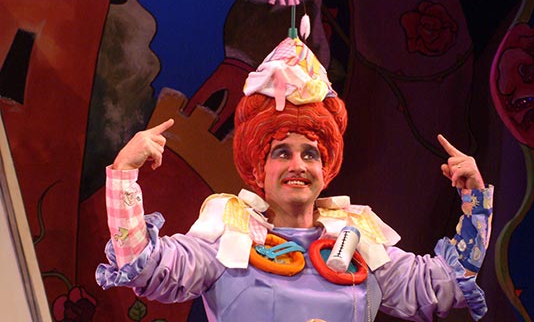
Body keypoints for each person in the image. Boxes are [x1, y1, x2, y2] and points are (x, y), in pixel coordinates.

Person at [97, 37, 493, 322]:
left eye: (311, 154)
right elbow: (146, 267)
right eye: (282, 153)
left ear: (326, 168)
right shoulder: (228, 231)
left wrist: (475, 199)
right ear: (259, 167)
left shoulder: (358, 237)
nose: (298, 165)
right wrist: (124, 175)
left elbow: (442, 286)